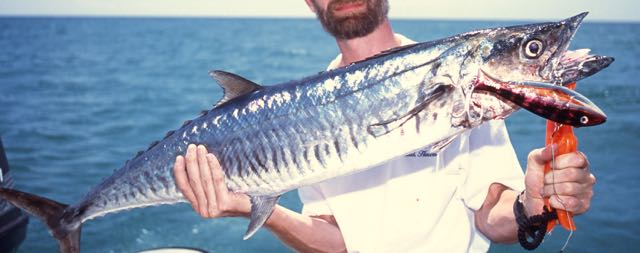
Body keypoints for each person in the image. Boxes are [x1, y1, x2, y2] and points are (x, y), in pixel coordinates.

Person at [172, 0, 596, 252]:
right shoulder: (301, 115)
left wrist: (533, 206)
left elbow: (491, 216)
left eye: (531, 49)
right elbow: (335, 243)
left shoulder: (460, 83)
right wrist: (253, 207)